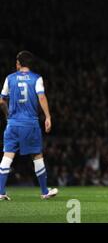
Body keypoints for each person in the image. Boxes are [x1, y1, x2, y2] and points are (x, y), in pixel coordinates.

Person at [0, 51, 58, 200]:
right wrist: (48, 116)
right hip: (30, 124)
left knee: (7, 156)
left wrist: (7, 115)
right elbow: (41, 96)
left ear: (18, 63)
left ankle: (1, 192)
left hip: (12, 124)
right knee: (37, 156)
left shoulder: (9, 78)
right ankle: (44, 192)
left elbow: (1, 101)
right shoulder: (36, 78)